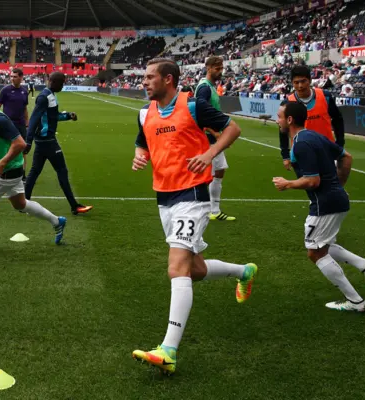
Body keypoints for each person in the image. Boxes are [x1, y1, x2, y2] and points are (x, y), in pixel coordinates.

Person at [131, 58, 258, 375]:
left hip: (193, 196)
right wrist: (140, 154)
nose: (144, 82)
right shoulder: (145, 113)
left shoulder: (193, 105)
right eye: (143, 77)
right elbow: (144, 139)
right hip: (164, 197)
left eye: (150, 77)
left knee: (176, 268)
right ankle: (243, 271)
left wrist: (210, 153)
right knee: (194, 269)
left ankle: (168, 350)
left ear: (169, 80)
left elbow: (233, 128)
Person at [272, 102, 365, 312]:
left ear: (289, 120)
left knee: (315, 253)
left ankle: (355, 302)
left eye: (279, 116)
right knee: (324, 245)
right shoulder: (314, 136)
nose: (276, 120)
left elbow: (313, 180)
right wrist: (339, 186)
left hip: (325, 204)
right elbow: (346, 157)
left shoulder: (301, 143)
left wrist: (288, 184)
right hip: (335, 200)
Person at [0, 80, 67, 252]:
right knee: (20, 204)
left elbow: (20, 144)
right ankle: (57, 221)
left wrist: (2, 162)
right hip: (11, 170)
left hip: (7, 173)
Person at [24, 72, 92, 216]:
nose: (62, 86)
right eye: (61, 83)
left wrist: (68, 116)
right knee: (61, 171)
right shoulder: (44, 97)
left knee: (35, 171)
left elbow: (52, 117)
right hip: (48, 141)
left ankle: (23, 202)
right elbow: (34, 119)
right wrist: (28, 141)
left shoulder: (51, 95)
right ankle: (74, 206)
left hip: (44, 141)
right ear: (53, 82)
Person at [279, 66, 345, 171]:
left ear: (309, 80)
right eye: (296, 82)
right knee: (312, 184)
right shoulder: (288, 103)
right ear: (292, 83)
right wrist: (285, 156)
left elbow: (337, 119)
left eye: (303, 81)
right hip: (301, 152)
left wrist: (340, 143)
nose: (300, 86)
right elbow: (283, 129)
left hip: (326, 151)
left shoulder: (325, 97)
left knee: (326, 185)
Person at [194, 56, 235, 221]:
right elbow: (199, 111)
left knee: (218, 171)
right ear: (208, 68)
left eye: (221, 68)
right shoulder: (204, 88)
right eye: (217, 69)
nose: (220, 72)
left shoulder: (210, 87)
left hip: (212, 137)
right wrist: (214, 132)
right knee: (208, 174)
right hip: (208, 138)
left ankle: (213, 209)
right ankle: (207, 209)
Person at [0, 68, 29, 179]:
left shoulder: (24, 91)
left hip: (21, 124)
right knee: (7, 149)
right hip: (8, 124)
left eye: (15, 77)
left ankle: (22, 173)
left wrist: (27, 122)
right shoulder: (5, 90)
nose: (12, 79)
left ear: (21, 77)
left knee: (23, 150)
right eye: (11, 76)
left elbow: (25, 108)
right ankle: (4, 170)